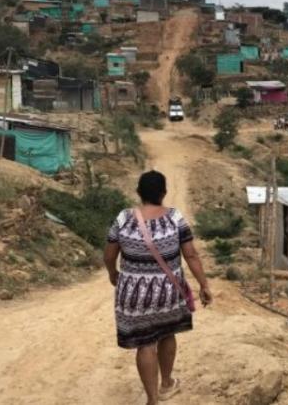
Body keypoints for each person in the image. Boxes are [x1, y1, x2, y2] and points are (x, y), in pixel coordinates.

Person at [104, 170, 212, 405]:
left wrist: (113, 274)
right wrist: (204, 285)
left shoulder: (123, 218)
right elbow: (191, 255)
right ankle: (166, 383)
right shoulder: (175, 218)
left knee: (145, 344)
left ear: (138, 192)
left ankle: (152, 399)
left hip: (133, 294)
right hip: (168, 292)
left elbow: (109, 254)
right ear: (164, 193)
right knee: (167, 333)